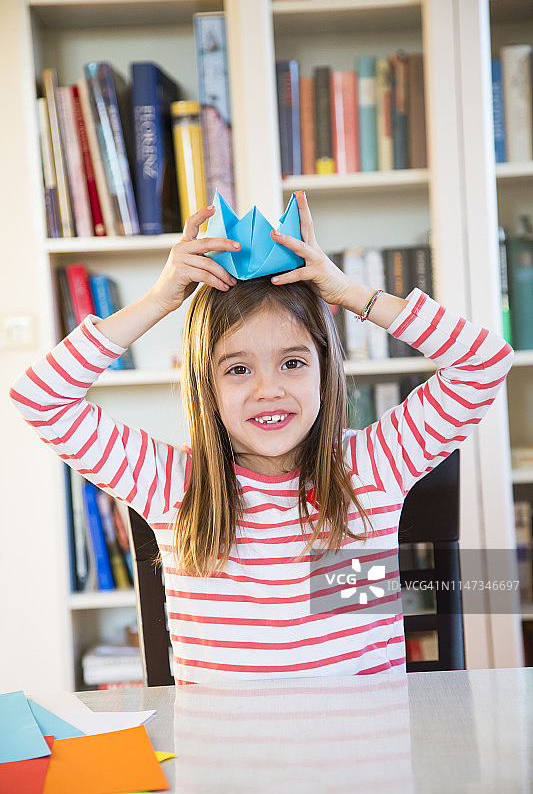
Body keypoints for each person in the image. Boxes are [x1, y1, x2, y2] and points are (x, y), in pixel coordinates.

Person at [9, 191, 513, 685]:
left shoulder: (371, 466)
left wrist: (351, 294)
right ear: (206, 386)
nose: (268, 390)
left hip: (362, 737)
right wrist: (160, 300)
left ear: (325, 371)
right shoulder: (169, 483)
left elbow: (484, 363)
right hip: (223, 741)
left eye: (292, 362)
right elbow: (41, 397)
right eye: (238, 369)